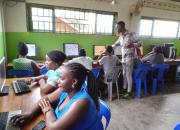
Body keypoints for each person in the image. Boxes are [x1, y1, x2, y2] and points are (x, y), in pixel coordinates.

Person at [10, 63, 103, 130]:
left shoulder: (82, 102)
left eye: (61, 78)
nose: (57, 80)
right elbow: (44, 99)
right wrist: (30, 114)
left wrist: (47, 109)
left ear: (74, 82)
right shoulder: (65, 90)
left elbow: (53, 128)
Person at [112, 21, 141, 99]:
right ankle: (125, 89)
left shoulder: (131, 34)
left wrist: (132, 45)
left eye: (117, 28)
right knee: (124, 74)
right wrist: (110, 47)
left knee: (128, 75)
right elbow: (116, 44)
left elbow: (140, 43)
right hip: (123, 58)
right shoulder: (121, 36)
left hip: (130, 57)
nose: (116, 29)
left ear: (122, 27)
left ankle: (129, 92)